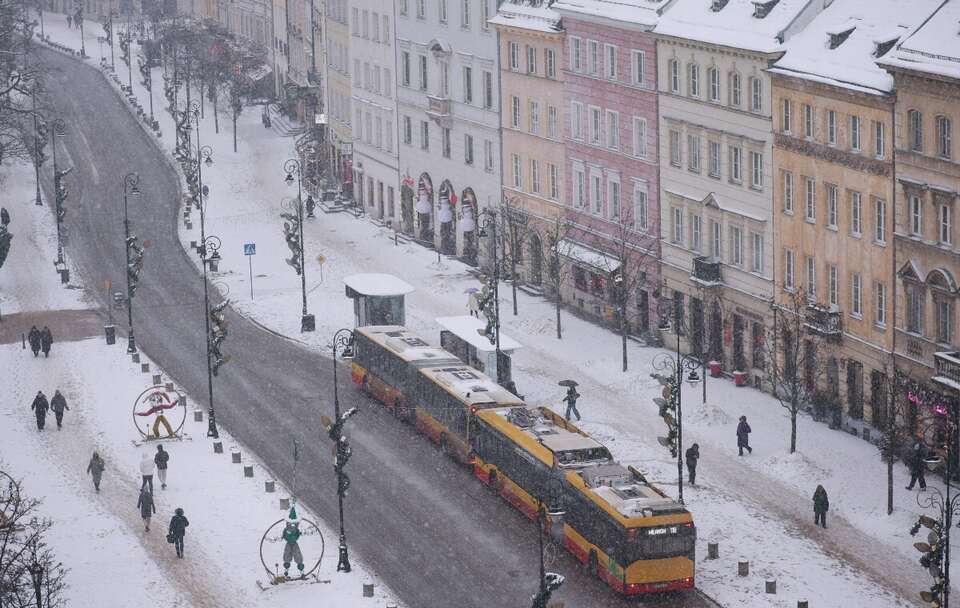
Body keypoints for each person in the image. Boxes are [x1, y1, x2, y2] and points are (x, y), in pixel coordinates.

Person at [282, 505, 305, 577]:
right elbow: (284, 535)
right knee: (287, 557)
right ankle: (286, 571)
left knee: (298, 557)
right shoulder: (286, 530)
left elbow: (297, 535)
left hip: (294, 544)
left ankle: (302, 572)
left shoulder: (296, 530)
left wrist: (297, 535)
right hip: (289, 544)